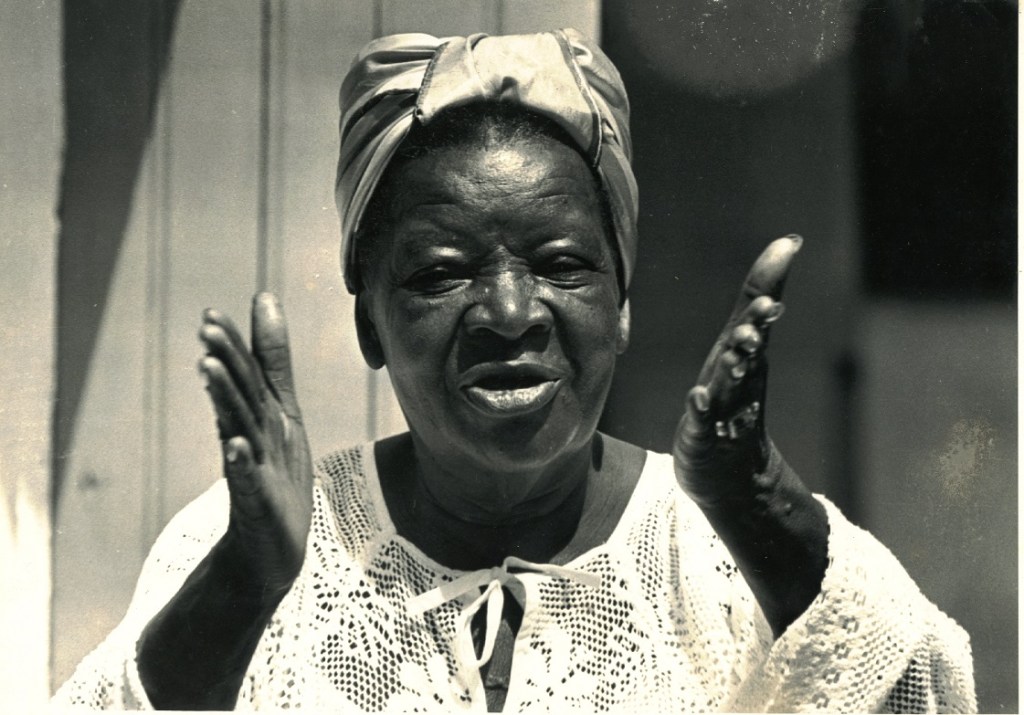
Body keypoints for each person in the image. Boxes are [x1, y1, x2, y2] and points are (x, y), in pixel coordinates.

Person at [55, 29, 976, 712]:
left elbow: (931, 691)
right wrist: (244, 585)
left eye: (562, 264)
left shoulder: (720, 551)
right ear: (370, 324)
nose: (508, 312)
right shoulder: (250, 544)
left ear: (621, 304)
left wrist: (762, 506)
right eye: (440, 274)